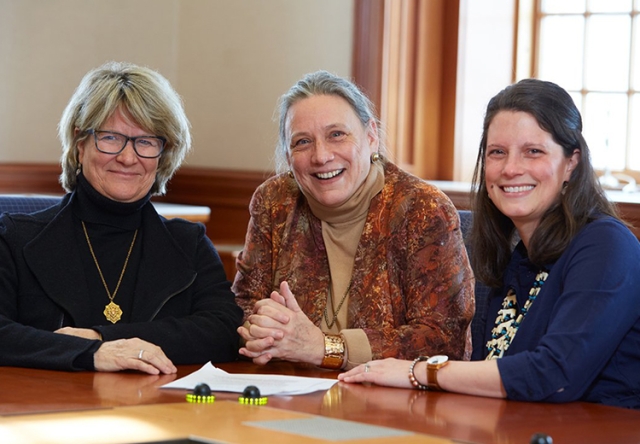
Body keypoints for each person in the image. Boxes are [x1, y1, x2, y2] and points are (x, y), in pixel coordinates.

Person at [339, 78, 640, 409]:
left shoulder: (607, 245)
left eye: (533, 152)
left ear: (572, 162)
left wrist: (418, 372)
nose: (511, 169)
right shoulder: (514, 257)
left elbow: (554, 376)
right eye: (497, 153)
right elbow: (491, 378)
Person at [0, 61, 243, 374]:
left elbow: (224, 331)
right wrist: (90, 353)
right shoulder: (15, 238)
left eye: (146, 141)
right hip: (49, 414)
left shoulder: (189, 244)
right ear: (79, 145)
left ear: (163, 154)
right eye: (111, 138)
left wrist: (105, 337)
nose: (128, 158)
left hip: (161, 412)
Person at [233, 70, 474, 370]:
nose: (321, 156)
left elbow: (443, 338)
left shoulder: (422, 209)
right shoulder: (274, 202)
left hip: (393, 403)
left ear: (371, 137)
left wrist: (325, 348)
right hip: (290, 391)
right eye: (302, 142)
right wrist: (259, 329)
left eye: (337, 135)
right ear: (287, 153)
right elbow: (243, 304)